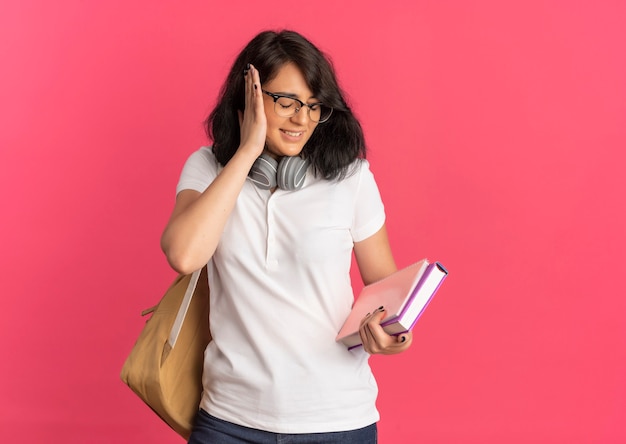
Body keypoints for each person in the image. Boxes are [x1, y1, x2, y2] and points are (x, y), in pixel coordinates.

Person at [161, 29, 412, 444]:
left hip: (337, 420)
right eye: (287, 102)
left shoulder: (351, 177)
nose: (303, 119)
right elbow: (185, 255)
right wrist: (245, 154)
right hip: (228, 418)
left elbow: (385, 288)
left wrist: (395, 335)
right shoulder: (208, 168)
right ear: (250, 94)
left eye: (314, 106)